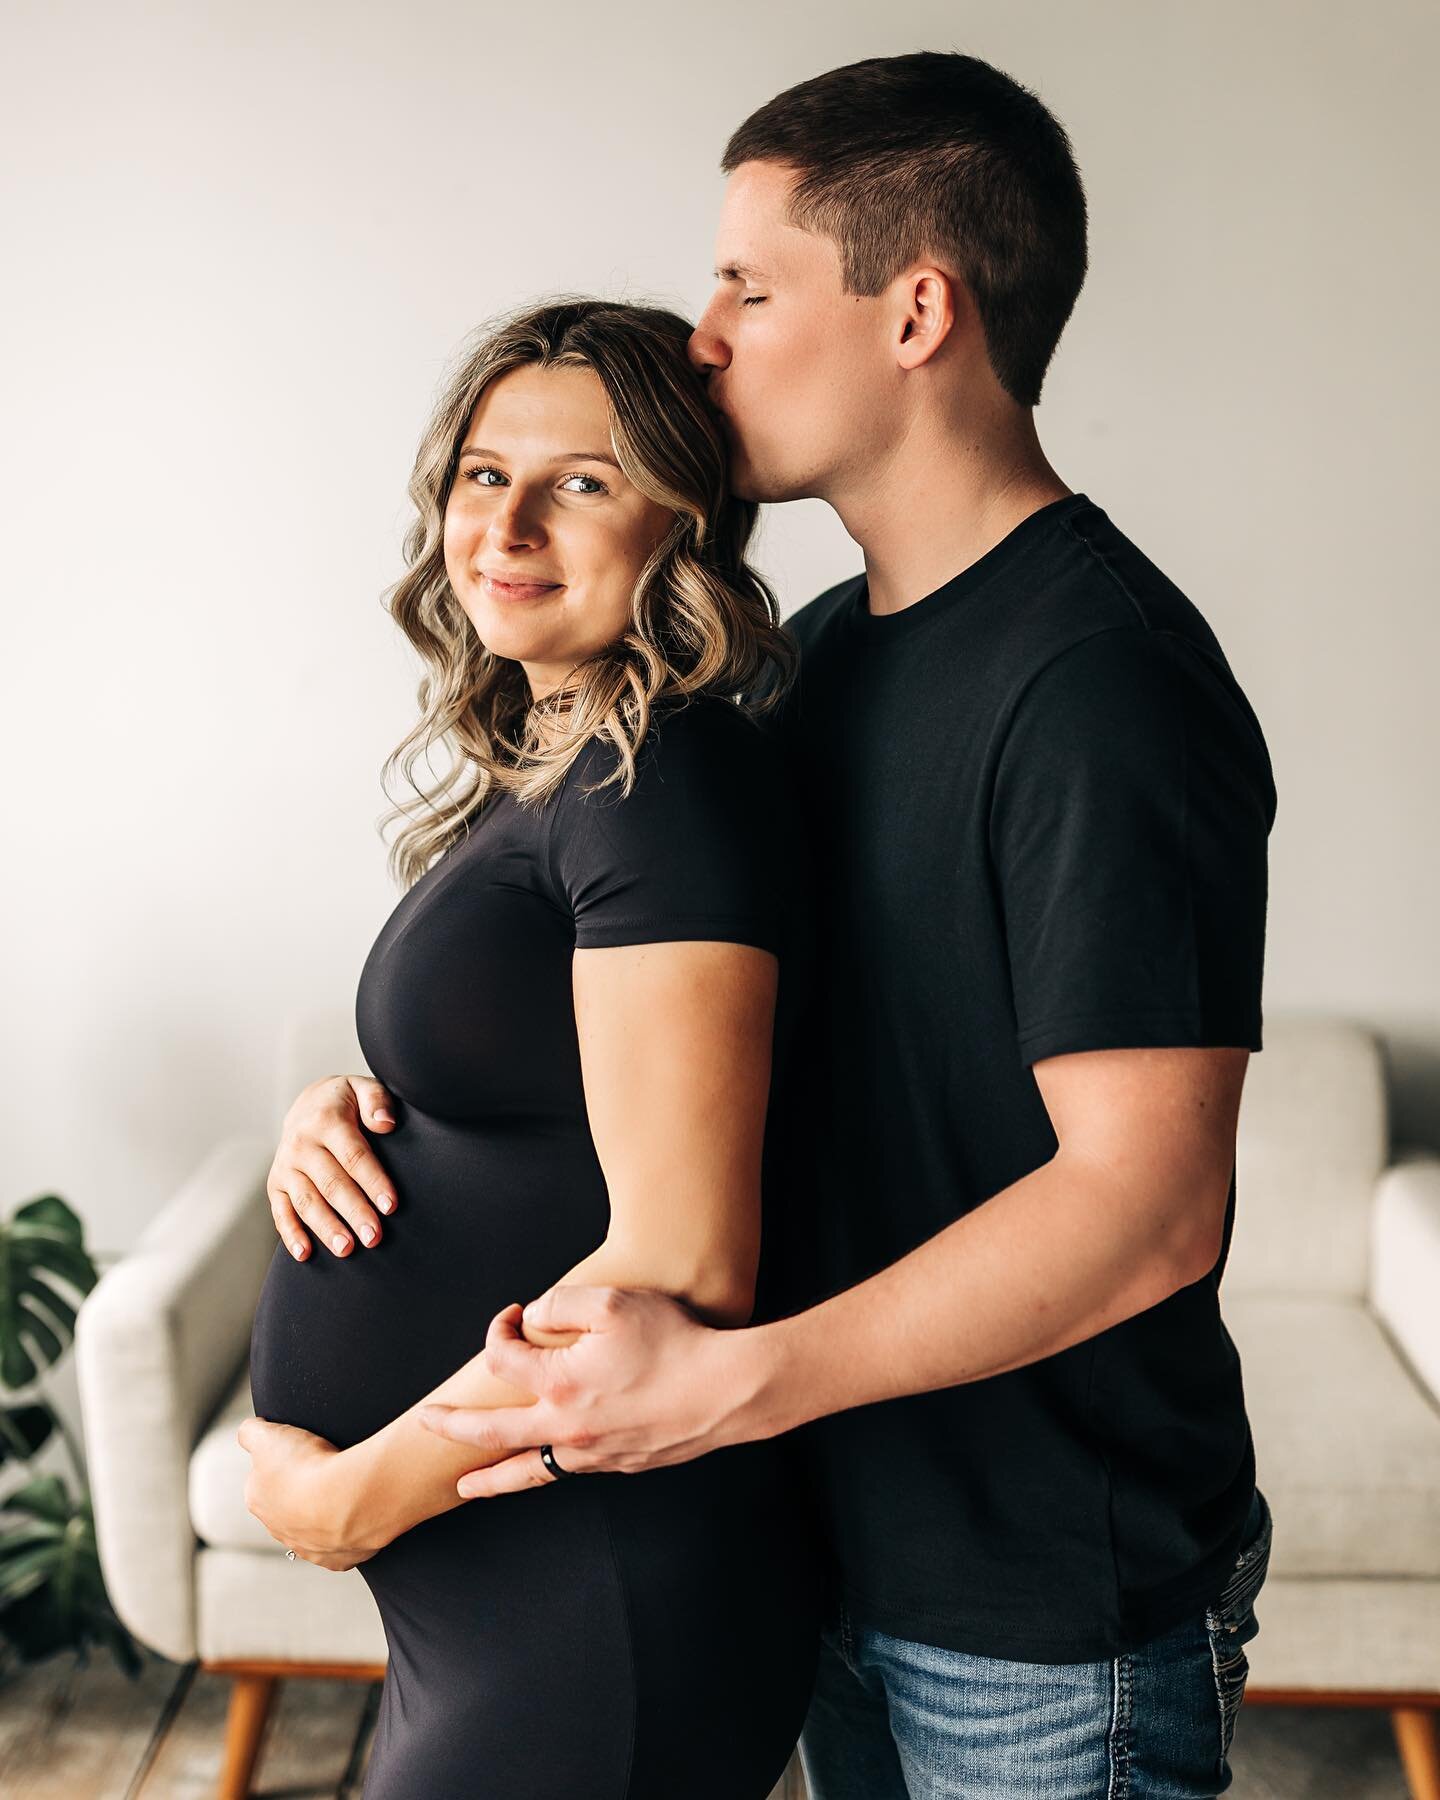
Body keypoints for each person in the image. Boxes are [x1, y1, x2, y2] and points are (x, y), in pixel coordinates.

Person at [258, 50, 1279, 1800]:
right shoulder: (823, 666)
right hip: (829, 1556)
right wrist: (372, 1121)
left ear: (917, 312)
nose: (706, 335)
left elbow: (1151, 1203)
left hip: (1035, 1611)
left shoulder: (1102, 684)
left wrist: (723, 1385)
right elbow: (687, 1077)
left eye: (749, 281)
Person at [239, 297, 825, 1800]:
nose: (507, 522)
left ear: (683, 522)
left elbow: (683, 1263)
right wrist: (352, 1111)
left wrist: (359, 1494)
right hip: (514, 1584)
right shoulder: (566, 760)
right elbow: (542, 1108)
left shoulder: (665, 784)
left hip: (597, 1589)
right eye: (485, 474)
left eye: (582, 479)